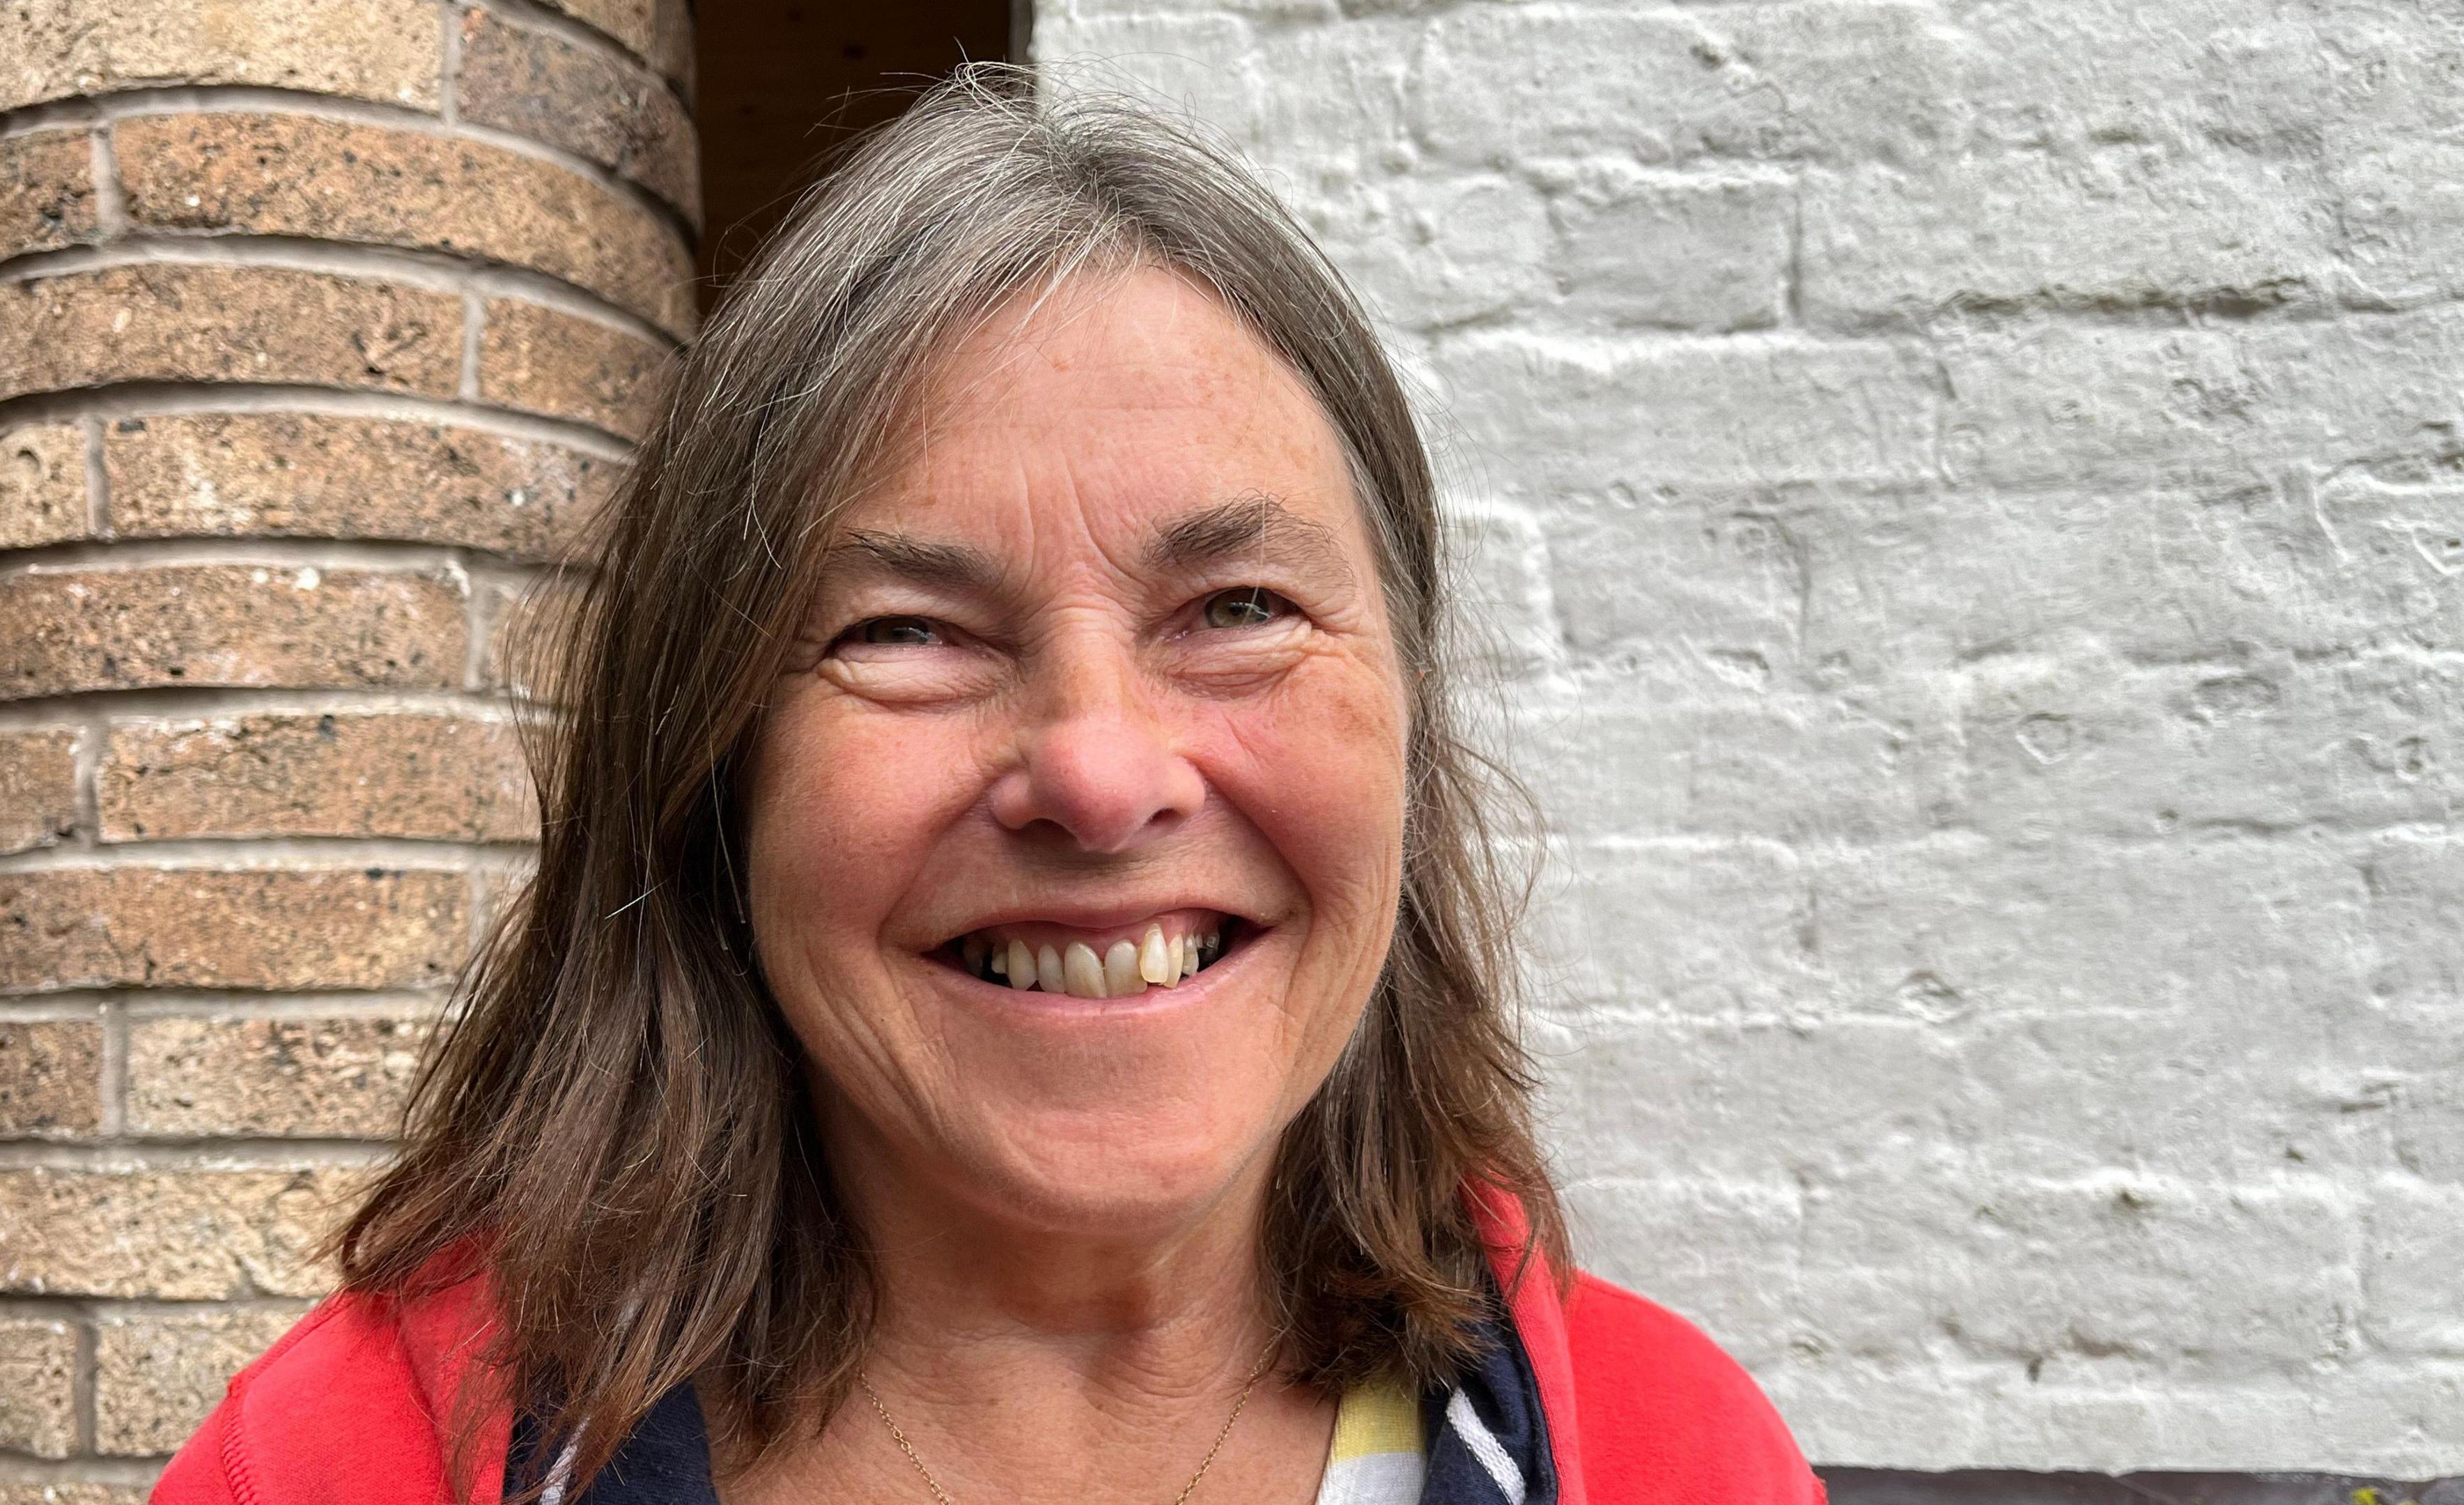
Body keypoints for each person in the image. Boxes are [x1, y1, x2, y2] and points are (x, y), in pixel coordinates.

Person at [153, 66, 1823, 1505]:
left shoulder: (1685, 1457)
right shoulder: (327, 1458)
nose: (1098, 772)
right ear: (715, 772)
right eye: (908, 633)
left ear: (1405, 717)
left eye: (1238, 610)